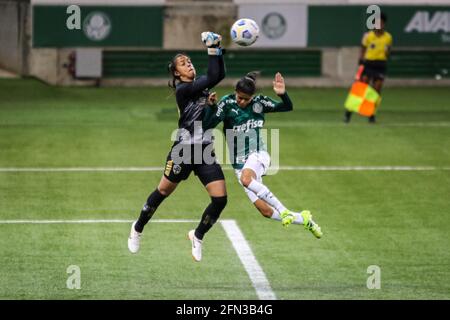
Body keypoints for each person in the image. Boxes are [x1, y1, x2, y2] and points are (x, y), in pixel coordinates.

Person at [128, 32, 227, 262]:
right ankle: (138, 227)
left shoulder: (199, 88)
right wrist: (212, 46)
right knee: (162, 192)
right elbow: (214, 75)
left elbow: (219, 73)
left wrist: (218, 48)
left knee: (220, 199)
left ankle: (198, 235)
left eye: (189, 61)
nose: (189, 64)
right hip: (183, 150)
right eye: (183, 63)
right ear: (176, 73)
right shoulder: (184, 90)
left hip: (203, 150)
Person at [203, 72, 322, 238]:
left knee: (246, 179)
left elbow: (287, 106)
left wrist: (283, 94)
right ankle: (304, 219)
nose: (242, 101)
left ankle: (284, 210)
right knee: (265, 211)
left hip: (258, 154)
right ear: (235, 92)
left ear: (253, 97)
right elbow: (207, 125)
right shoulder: (227, 104)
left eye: (246, 99)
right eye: (239, 97)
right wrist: (210, 106)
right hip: (239, 164)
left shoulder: (260, 103)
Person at [345, 12, 393, 124]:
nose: (379, 25)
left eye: (381, 22)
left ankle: (371, 114)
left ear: (384, 24)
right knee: (361, 90)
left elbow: (388, 54)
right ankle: (348, 113)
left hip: (380, 65)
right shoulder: (368, 36)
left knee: (376, 91)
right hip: (368, 64)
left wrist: (387, 52)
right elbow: (362, 49)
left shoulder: (388, 37)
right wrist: (361, 62)